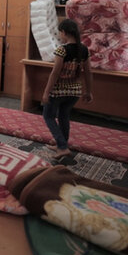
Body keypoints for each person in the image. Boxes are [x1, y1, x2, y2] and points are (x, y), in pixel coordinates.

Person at [42, 19, 93, 159]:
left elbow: (55, 73)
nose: (60, 35)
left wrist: (46, 92)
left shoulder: (61, 50)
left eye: (60, 33)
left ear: (64, 32)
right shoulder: (84, 49)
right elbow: (88, 72)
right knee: (64, 116)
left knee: (48, 116)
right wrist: (88, 91)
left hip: (58, 91)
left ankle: (62, 147)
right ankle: (61, 145)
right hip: (75, 92)